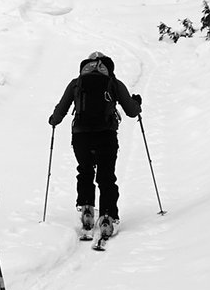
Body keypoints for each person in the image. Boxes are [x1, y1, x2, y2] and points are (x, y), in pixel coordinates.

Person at [49, 51, 142, 239]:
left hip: (81, 136)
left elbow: (62, 109)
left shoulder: (76, 83)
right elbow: (131, 112)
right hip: (106, 135)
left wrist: (53, 120)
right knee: (106, 176)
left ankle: (87, 209)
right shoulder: (113, 83)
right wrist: (137, 103)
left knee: (85, 171)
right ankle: (107, 216)